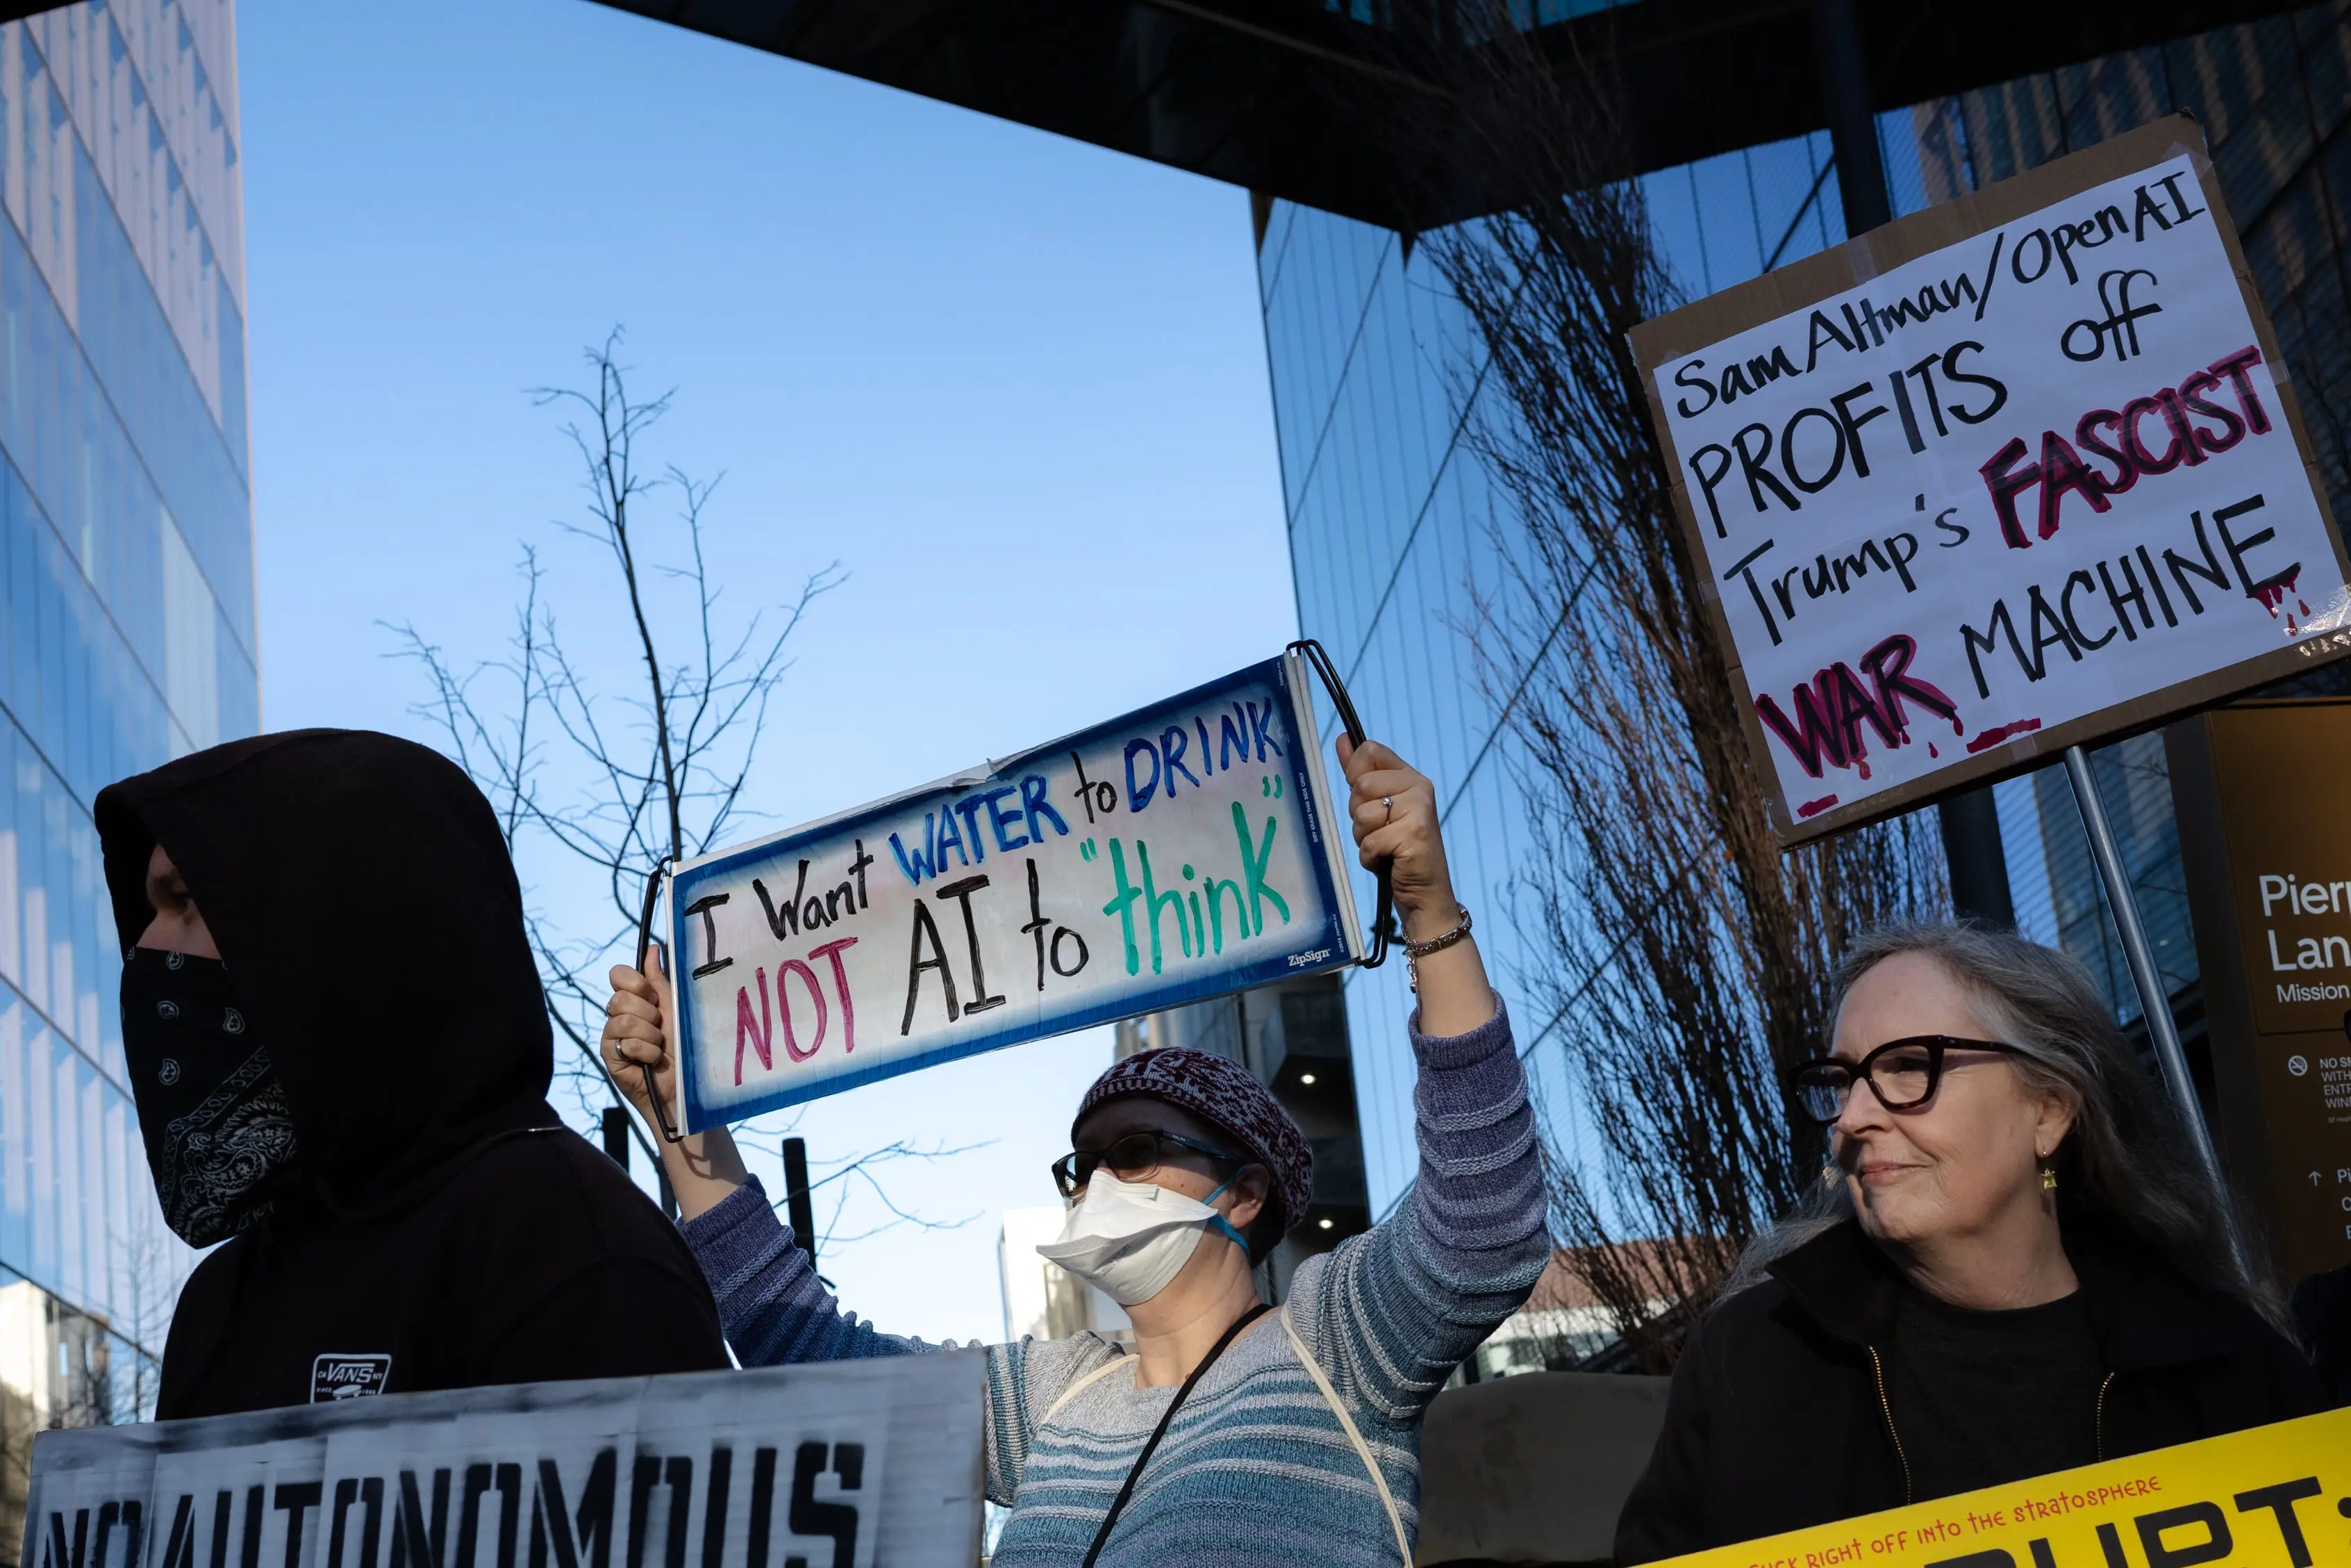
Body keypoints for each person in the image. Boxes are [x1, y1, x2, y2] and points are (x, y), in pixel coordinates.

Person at [601, 737, 1547, 1567]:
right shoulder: (1054, 1395)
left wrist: (1428, 912)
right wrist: (681, 1121)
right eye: (1080, 1162)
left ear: (1245, 1191)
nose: (1094, 1181)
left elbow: (1483, 1230)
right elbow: (823, 1367)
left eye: (1132, 1150)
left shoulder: (1330, 1342)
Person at [1615, 923, 2325, 1564]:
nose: (1852, 1119)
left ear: (2048, 1110)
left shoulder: (2229, 1362)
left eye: (1907, 1065)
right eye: (1841, 1081)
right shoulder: (1751, 1357)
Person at [97, 729, 729, 1417]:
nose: (145, 944)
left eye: (187, 900)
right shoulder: (220, 1297)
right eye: (152, 911)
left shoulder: (564, 1245)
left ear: (333, 916)